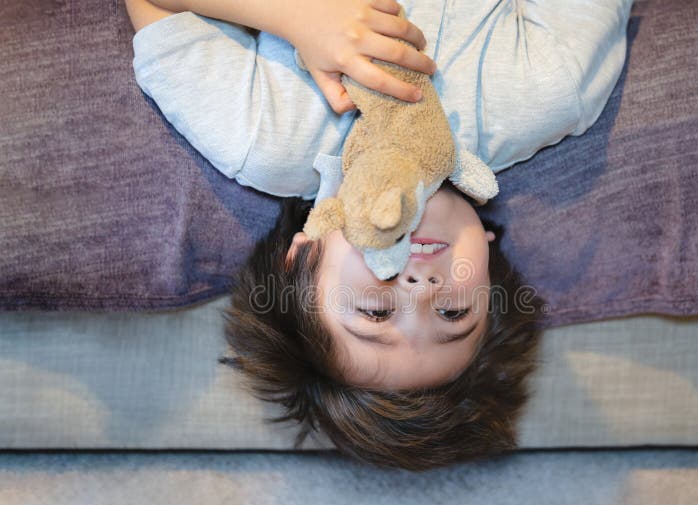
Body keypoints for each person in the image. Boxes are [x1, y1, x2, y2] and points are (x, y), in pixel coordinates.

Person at [126, 0, 633, 470]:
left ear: (302, 258)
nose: (420, 291)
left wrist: (293, 15)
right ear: (488, 269)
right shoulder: (549, 93)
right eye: (454, 313)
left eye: (375, 311)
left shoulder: (265, 139)